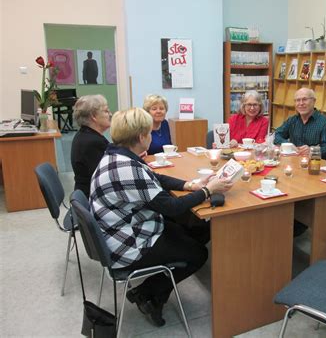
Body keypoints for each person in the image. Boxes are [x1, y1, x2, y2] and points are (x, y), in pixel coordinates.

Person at [89, 107, 232, 326]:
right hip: (127, 244)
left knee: (195, 231)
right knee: (198, 253)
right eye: (149, 132)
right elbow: (173, 207)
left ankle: (148, 292)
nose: (151, 136)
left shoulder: (116, 154)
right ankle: (148, 294)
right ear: (140, 137)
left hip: (124, 228)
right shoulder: (127, 168)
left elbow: (154, 177)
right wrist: (207, 191)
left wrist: (190, 185)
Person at [274, 87, 326, 158]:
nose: (301, 103)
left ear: (314, 101)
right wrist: (288, 144)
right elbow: (277, 135)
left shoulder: (325, 123)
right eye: (298, 100)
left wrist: (312, 150)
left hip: (314, 163)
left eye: (304, 99)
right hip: (293, 161)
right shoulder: (292, 120)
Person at [70, 94, 111, 198]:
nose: (110, 114)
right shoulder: (92, 142)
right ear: (93, 116)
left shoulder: (84, 135)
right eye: (106, 111)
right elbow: (107, 176)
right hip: (94, 198)